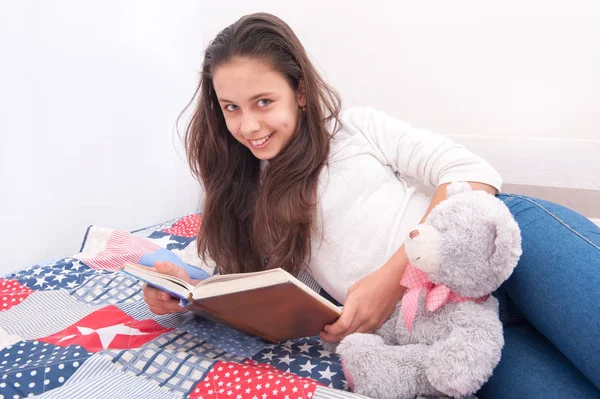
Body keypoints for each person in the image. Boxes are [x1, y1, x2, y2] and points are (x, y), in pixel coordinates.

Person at [142, 12, 600, 398]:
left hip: (507, 250)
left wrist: (392, 280)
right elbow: (199, 266)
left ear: (299, 92)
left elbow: (473, 172)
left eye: (264, 101)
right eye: (231, 108)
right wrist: (170, 286)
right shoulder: (242, 195)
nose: (248, 125)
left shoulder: (353, 129)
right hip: (444, 329)